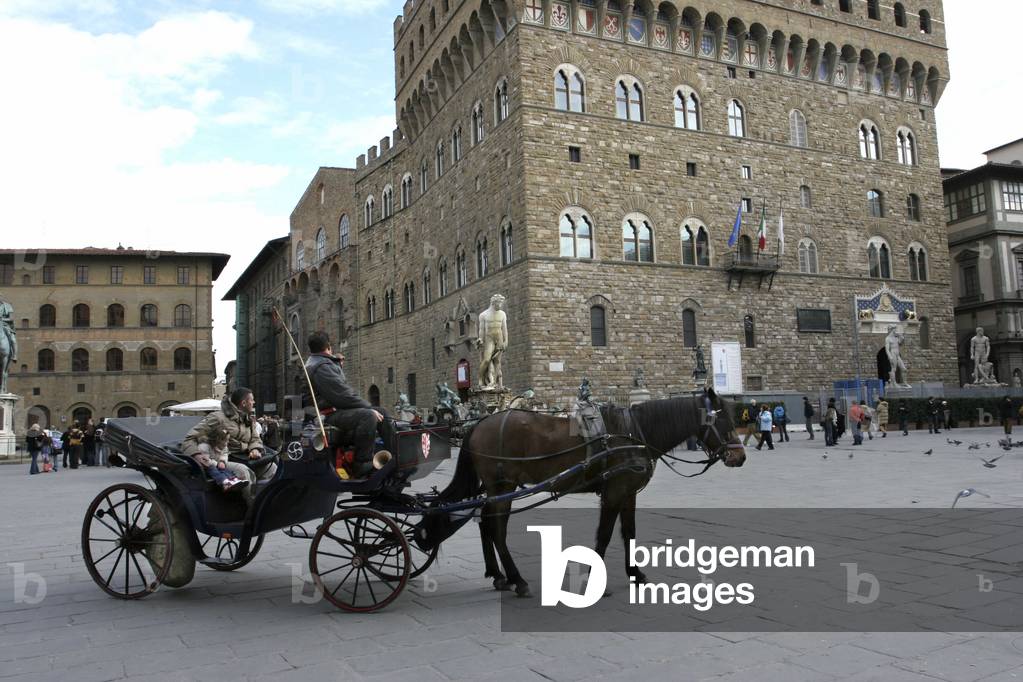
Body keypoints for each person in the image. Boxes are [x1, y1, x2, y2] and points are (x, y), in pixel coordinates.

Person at [305, 331, 393, 478]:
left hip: (333, 411)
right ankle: (362, 465)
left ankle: (394, 454)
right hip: (325, 416)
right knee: (368, 416)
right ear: (328, 346)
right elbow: (342, 395)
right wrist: (369, 408)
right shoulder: (320, 367)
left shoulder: (320, 362)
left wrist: (336, 364)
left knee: (381, 412)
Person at [182, 388, 276, 487]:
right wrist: (196, 454)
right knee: (243, 472)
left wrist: (255, 449)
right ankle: (252, 501)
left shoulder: (248, 419)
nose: (254, 402)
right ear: (244, 403)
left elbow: (255, 439)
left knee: (272, 467)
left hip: (245, 457)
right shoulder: (217, 417)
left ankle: (267, 499)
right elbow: (190, 438)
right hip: (224, 458)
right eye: (252, 400)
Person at [191, 428, 249, 493]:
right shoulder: (204, 446)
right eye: (226, 440)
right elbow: (205, 460)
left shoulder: (223, 446)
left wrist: (222, 461)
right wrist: (217, 464)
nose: (228, 442)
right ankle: (224, 482)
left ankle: (233, 479)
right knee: (213, 470)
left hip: (217, 463)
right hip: (205, 466)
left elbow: (225, 454)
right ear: (218, 440)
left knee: (225, 469)